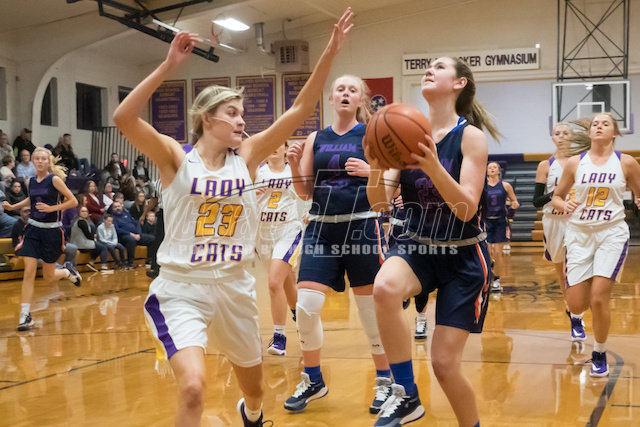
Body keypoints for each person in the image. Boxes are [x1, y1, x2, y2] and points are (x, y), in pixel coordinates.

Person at [112, 9, 353, 426]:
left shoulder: (248, 156)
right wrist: (169, 66)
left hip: (234, 287)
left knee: (255, 391)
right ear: (207, 119)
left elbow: (300, 108)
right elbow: (123, 118)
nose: (242, 120)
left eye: (243, 113)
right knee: (193, 388)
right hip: (182, 287)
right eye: (232, 113)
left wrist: (329, 53)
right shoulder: (175, 157)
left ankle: (252, 415)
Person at [366, 56, 499, 427]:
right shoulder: (403, 133)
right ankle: (406, 393)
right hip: (417, 246)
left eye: (439, 66)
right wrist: (376, 166)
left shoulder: (470, 137)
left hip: (463, 256)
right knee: (384, 288)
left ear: (459, 83)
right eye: (428, 65)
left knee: (443, 365)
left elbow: (466, 209)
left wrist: (433, 165)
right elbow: (378, 204)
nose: (429, 69)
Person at [284, 73, 394, 415]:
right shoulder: (315, 138)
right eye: (340, 89)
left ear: (360, 99)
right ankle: (313, 379)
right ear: (331, 99)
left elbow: (390, 187)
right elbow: (305, 192)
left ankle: (385, 381)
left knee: (370, 313)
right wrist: (293, 165)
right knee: (306, 305)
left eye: (352, 89)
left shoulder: (372, 134)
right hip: (321, 228)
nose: (345, 93)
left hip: (362, 226)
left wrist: (370, 172)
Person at [551, 112, 640, 377]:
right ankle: (578, 312)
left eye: (605, 123)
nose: (599, 126)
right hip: (579, 234)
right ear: (590, 132)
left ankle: (599, 353)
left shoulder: (626, 162)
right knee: (577, 304)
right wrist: (563, 204)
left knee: (599, 297)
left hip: (611, 233)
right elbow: (556, 197)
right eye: (595, 124)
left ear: (615, 132)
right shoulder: (574, 163)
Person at [4, 147, 82, 331]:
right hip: (33, 229)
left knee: (48, 277)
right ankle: (25, 315)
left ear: (49, 162)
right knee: (29, 271)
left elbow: (73, 201)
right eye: (37, 158)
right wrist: (13, 207)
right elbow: (31, 199)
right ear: (32, 161)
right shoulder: (30, 181)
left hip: (52, 232)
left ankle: (66, 272)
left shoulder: (54, 180)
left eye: (43, 159)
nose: (40, 161)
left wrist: (52, 209)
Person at [533, 122, 587, 341]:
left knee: (575, 269)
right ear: (552, 137)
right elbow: (536, 201)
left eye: (566, 133)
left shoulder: (581, 162)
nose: (562, 136)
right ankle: (571, 307)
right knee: (562, 272)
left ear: (572, 137)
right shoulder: (545, 165)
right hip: (554, 222)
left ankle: (576, 315)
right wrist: (557, 194)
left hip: (577, 221)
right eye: (557, 133)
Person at [255, 142, 302, 356]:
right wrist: (251, 195)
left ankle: (279, 337)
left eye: (279, 143)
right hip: (263, 234)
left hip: (288, 230)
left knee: (274, 282)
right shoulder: (256, 173)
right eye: (271, 143)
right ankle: (301, 318)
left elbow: (308, 194)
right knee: (286, 282)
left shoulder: (293, 170)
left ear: (285, 148)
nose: (274, 147)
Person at [485, 161, 519, 292]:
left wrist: (514, 204)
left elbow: (514, 200)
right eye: (490, 167)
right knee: (488, 253)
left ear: (499, 171)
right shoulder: (483, 186)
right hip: (486, 222)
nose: (492, 169)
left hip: (500, 222)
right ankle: (487, 276)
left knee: (498, 252)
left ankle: (496, 280)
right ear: (486, 171)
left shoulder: (505, 186)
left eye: (494, 167)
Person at [111, 200, 154, 268]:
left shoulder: (127, 214)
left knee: (152, 238)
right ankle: (130, 263)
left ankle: (150, 260)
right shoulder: (113, 218)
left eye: (118, 206)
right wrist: (131, 234)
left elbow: (137, 223)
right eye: (115, 207)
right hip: (123, 237)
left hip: (136, 234)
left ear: (121, 207)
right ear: (113, 209)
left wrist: (138, 234)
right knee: (131, 239)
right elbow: (117, 230)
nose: (117, 208)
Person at [70, 206, 109, 270]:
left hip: (78, 243)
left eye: (86, 211)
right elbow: (88, 235)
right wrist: (94, 237)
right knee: (103, 247)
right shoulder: (81, 222)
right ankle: (103, 266)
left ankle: (91, 263)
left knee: (98, 246)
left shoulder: (77, 221)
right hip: (81, 244)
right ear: (79, 213)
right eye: (83, 211)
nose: (84, 213)